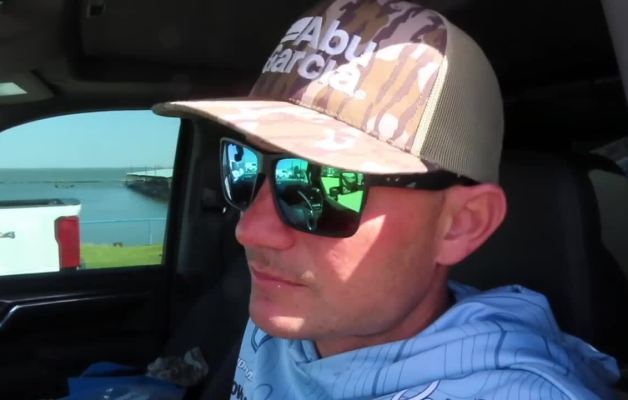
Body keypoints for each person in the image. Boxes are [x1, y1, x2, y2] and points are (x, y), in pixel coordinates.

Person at [154, 0, 620, 398]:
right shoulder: (290, 312)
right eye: (243, 167)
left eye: (320, 185)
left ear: (461, 224)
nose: (250, 230)